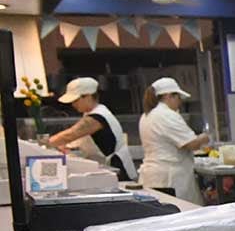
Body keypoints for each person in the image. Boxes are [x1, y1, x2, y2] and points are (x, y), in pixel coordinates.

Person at [48, 77, 137, 181]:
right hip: (106, 169)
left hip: (117, 170)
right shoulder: (92, 112)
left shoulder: (97, 116)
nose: (73, 105)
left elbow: (70, 134)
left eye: (76, 100)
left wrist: (43, 144)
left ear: (88, 96)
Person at [138, 76, 208, 204]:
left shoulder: (147, 115)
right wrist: (204, 138)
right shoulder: (167, 115)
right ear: (168, 96)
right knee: (181, 215)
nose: (180, 102)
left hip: (152, 177)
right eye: (178, 98)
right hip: (170, 179)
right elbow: (191, 144)